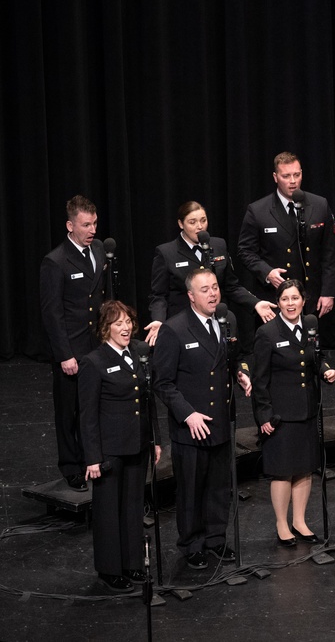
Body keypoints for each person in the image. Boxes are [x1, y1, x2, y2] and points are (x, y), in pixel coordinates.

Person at [152, 268, 251, 569]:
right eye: (205, 290)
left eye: (215, 287)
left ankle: (216, 540)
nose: (212, 294)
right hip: (192, 425)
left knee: (220, 486)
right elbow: (162, 383)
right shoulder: (175, 329)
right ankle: (192, 544)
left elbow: (236, 356)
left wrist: (241, 373)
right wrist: (187, 414)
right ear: (191, 296)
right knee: (192, 488)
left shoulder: (227, 319)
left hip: (220, 418)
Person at [79, 301, 161, 592]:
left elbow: (147, 399)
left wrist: (155, 439)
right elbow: (87, 415)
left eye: (128, 322)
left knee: (132, 508)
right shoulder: (94, 361)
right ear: (105, 329)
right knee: (108, 511)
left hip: (137, 444)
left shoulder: (136, 355)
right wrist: (92, 458)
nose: (126, 328)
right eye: (118, 323)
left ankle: (132, 564)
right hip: (110, 450)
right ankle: (110, 569)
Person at [252, 279, 335, 546]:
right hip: (281, 415)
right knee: (283, 471)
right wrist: (263, 415)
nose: (291, 303)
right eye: (285, 299)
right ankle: (282, 524)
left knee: (304, 469)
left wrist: (325, 370)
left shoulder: (310, 325)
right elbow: (260, 379)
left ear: (303, 300)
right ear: (278, 303)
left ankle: (299, 521)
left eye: (295, 298)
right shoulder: (267, 333)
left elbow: (315, 357)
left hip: (307, 409)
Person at [39, 195, 107, 491]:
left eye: (94, 223)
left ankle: (93, 457)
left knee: (95, 406)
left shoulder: (100, 250)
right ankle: (71, 465)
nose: (92, 229)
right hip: (72, 349)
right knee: (69, 411)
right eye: (85, 225)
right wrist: (65, 354)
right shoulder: (55, 261)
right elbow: (52, 313)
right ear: (70, 225)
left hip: (96, 346)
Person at [237, 151, 335, 339]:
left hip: (313, 299)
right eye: (286, 176)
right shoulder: (258, 210)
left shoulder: (319, 204)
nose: (293, 181)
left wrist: (328, 292)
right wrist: (266, 272)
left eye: (297, 175)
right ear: (276, 177)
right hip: (276, 299)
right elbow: (245, 251)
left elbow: (329, 253)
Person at [145, 201, 276, 345]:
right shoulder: (167, 252)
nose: (199, 227)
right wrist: (159, 320)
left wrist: (255, 303)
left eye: (203, 220)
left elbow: (231, 286)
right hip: (183, 326)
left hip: (216, 322)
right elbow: (159, 295)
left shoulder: (218, 245)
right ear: (181, 224)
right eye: (192, 222)